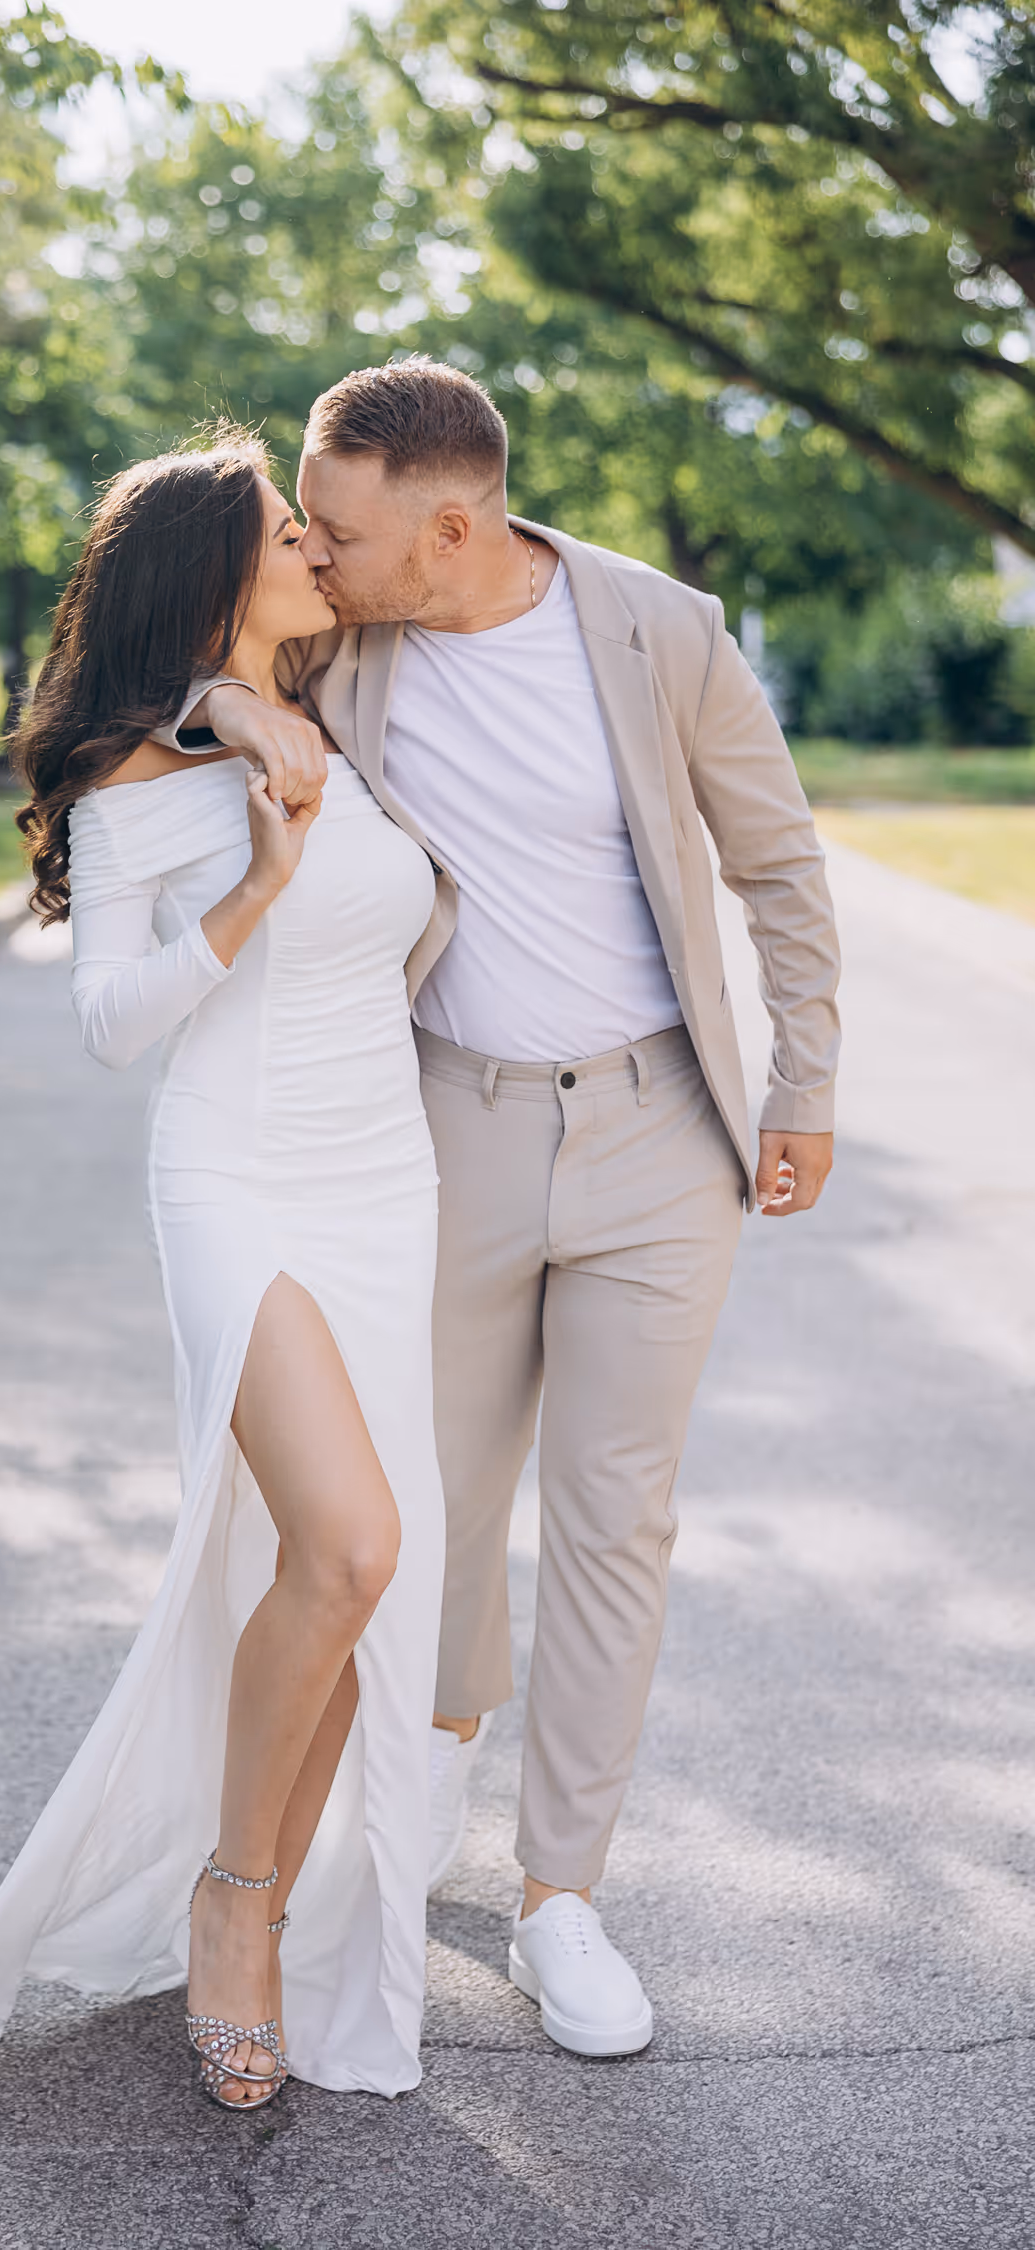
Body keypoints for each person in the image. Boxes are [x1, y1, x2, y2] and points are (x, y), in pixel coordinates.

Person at [160, 359, 842, 2060]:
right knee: (425, 1510)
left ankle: (562, 1903)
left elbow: (777, 863)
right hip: (441, 1126)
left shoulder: (659, 630)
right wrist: (222, 711)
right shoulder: (346, 628)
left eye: (340, 527)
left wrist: (805, 1080)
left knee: (617, 1517)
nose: (313, 553)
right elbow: (155, 660)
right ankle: (430, 1751)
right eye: (308, 528)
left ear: (448, 526)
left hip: (656, 1131)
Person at [0, 432, 446, 2106]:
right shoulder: (144, 771)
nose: (318, 546)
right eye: (291, 530)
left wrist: (253, 710)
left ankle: (264, 1892)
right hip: (234, 1176)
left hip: (384, 1180)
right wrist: (259, 880)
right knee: (350, 1544)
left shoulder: (349, 711)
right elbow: (114, 1024)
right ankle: (233, 1901)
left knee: (352, 1579)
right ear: (216, 573)